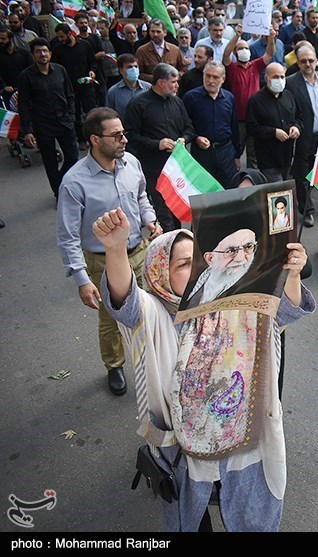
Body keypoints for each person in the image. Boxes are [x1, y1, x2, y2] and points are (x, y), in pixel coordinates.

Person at [95, 209, 315, 532]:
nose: (196, 268)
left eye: (196, 259)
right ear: (160, 274)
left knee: (249, 513)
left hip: (241, 446)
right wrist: (115, 249)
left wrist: (292, 275)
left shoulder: (230, 298)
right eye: (183, 264)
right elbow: (125, 301)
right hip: (184, 451)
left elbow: (284, 313)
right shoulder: (154, 315)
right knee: (192, 521)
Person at [56, 107, 161, 396]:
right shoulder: (75, 182)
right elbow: (67, 236)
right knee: (111, 318)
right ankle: (114, 365)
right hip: (103, 263)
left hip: (140, 251)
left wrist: (149, 219)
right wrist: (81, 279)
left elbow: (141, 195)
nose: (124, 140)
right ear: (94, 139)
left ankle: (152, 362)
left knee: (150, 310)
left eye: (123, 133)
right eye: (116, 136)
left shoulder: (132, 163)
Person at [125, 63, 195, 232]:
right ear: (161, 82)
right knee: (164, 216)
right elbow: (130, 136)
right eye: (174, 82)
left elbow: (189, 128)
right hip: (154, 170)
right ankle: (169, 251)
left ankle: (179, 247)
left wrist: (183, 140)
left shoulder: (177, 102)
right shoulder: (138, 104)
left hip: (177, 169)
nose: (177, 85)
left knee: (177, 212)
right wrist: (158, 144)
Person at [18, 37, 80, 199]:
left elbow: (70, 94)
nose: (42, 54)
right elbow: (23, 104)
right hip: (43, 124)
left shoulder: (60, 70)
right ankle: (58, 192)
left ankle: (60, 181)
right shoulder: (26, 76)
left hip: (65, 121)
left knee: (73, 157)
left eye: (45, 51)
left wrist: (72, 115)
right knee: (50, 161)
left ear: (50, 54)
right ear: (33, 56)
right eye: (38, 51)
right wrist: (27, 130)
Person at [286, 44, 318, 227]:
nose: (308, 64)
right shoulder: (290, 82)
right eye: (303, 61)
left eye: (311, 61)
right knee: (302, 175)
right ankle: (306, 210)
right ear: (298, 62)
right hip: (303, 136)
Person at [224, 23, 275, 171]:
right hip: (238, 119)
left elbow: (269, 54)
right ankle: (235, 182)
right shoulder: (232, 67)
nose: (244, 51)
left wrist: (271, 39)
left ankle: (253, 182)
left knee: (254, 154)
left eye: (246, 48)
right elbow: (226, 55)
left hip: (254, 118)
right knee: (236, 153)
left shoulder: (255, 66)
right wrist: (237, 36)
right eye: (240, 48)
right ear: (235, 51)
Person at [183, 60, 240, 187]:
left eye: (215, 77)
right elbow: (184, 125)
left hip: (226, 151)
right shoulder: (191, 98)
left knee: (229, 188)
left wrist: (237, 155)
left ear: (223, 79)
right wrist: (196, 138)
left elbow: (234, 126)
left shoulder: (229, 98)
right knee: (203, 189)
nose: (210, 80)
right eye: (207, 76)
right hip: (202, 153)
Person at [246, 61, 302, 184]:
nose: (279, 80)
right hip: (268, 158)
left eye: (282, 77)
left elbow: (299, 118)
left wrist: (296, 127)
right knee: (277, 192)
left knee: (285, 189)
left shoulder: (289, 96)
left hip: (287, 157)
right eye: (275, 77)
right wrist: (273, 132)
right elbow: (251, 127)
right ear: (266, 78)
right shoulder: (256, 100)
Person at [50, 21, 97, 150]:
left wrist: (92, 71)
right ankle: (81, 139)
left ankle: (95, 137)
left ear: (70, 34)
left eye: (62, 37)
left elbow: (93, 62)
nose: (60, 39)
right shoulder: (58, 49)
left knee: (91, 112)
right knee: (74, 114)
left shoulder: (85, 45)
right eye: (58, 37)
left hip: (86, 85)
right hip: (69, 88)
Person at [135, 19, 188, 84]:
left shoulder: (175, 50)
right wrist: (155, 78)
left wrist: (174, 77)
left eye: (158, 32)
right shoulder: (142, 51)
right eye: (153, 31)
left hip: (171, 90)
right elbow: (138, 73)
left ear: (165, 32)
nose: (155, 34)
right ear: (149, 32)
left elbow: (184, 68)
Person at [105, 54, 151, 122]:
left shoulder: (148, 88)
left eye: (135, 66)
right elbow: (109, 116)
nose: (134, 70)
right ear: (121, 70)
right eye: (129, 67)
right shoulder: (113, 92)